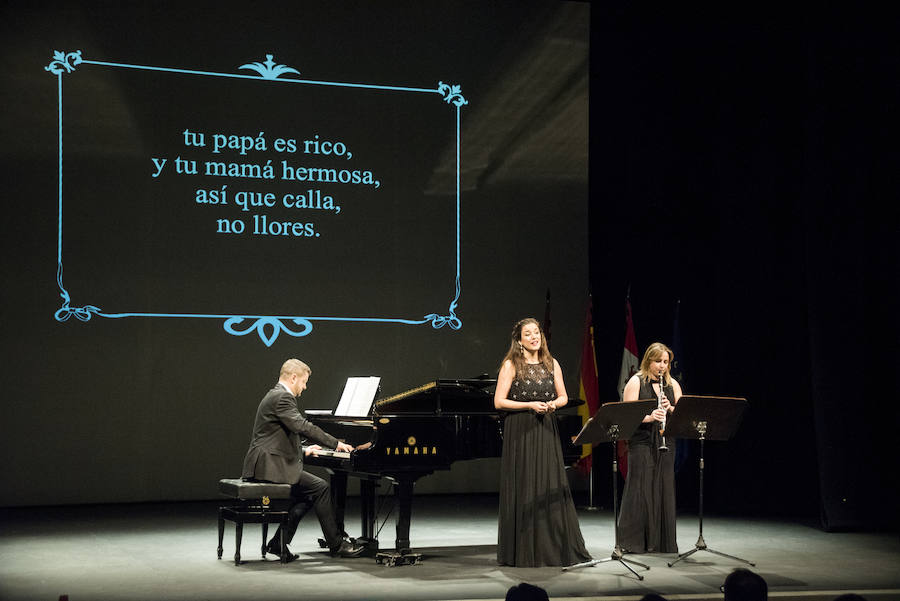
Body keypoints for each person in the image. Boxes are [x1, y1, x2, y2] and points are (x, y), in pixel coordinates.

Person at [241, 358, 364, 561]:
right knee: (321, 488)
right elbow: (303, 426)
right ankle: (337, 544)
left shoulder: (275, 395)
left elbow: (277, 436)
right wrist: (335, 444)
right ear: (293, 377)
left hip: (267, 463)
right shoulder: (282, 397)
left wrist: (304, 450)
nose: (305, 387)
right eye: (304, 382)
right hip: (268, 467)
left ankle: (278, 543)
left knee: (309, 494)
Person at [494, 318, 591, 567]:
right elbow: (499, 402)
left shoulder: (551, 363)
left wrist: (552, 405)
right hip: (521, 428)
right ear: (519, 340)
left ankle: (551, 548)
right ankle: (524, 549)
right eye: (528, 334)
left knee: (549, 482)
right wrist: (529, 405)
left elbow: (563, 397)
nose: (535, 337)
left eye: (537, 332)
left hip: (546, 427)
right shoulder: (511, 364)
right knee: (526, 483)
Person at [617, 342, 682, 554]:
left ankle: (662, 543)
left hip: (666, 440)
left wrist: (670, 408)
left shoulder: (673, 385)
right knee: (640, 489)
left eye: (666, 362)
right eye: (658, 362)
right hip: (642, 441)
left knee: (664, 487)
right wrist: (650, 417)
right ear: (648, 361)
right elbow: (627, 417)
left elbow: (682, 415)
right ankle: (633, 542)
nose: (662, 366)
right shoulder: (636, 382)